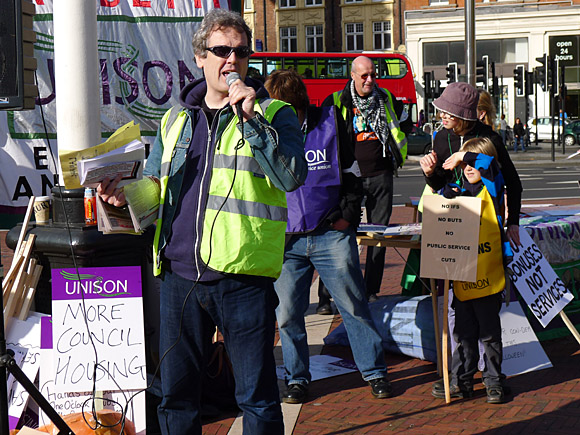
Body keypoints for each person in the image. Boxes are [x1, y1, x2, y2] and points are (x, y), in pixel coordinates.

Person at [98, 10, 307, 435]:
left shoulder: (275, 113)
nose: (232, 60)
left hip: (243, 278)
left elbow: (290, 176)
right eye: (221, 51)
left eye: (241, 52)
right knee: (175, 397)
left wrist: (251, 119)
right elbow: (157, 186)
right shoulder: (176, 119)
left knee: (258, 400)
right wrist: (123, 196)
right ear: (200, 56)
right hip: (178, 276)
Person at [265, 69, 393, 404]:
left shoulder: (331, 123)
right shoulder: (268, 132)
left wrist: (347, 217)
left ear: (300, 106)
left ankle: (375, 372)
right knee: (288, 315)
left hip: (330, 235)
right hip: (287, 240)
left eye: (286, 111)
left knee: (353, 304)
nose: (280, 118)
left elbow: (353, 172)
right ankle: (296, 379)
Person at [322, 55, 413, 302]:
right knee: (337, 234)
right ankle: (326, 296)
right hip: (348, 179)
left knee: (379, 237)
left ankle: (371, 290)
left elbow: (404, 124)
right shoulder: (336, 101)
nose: (370, 80)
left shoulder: (386, 99)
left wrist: (395, 153)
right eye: (364, 76)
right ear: (352, 76)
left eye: (373, 75)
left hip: (381, 175)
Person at [430, 137, 513, 404]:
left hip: (488, 276)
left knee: (489, 334)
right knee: (463, 334)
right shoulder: (457, 190)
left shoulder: (493, 187)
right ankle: (460, 380)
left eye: (471, 160)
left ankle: (493, 381)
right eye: (464, 161)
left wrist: (463, 155)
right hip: (463, 278)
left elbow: (489, 166)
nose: (467, 165)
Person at [419, 82, 522, 247]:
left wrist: (513, 223)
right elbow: (439, 184)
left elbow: (513, 182)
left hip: (483, 220)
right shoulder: (440, 137)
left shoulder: (489, 137)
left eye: (449, 112)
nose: (442, 116)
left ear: (463, 115)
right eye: (442, 111)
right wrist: (429, 173)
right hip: (449, 218)